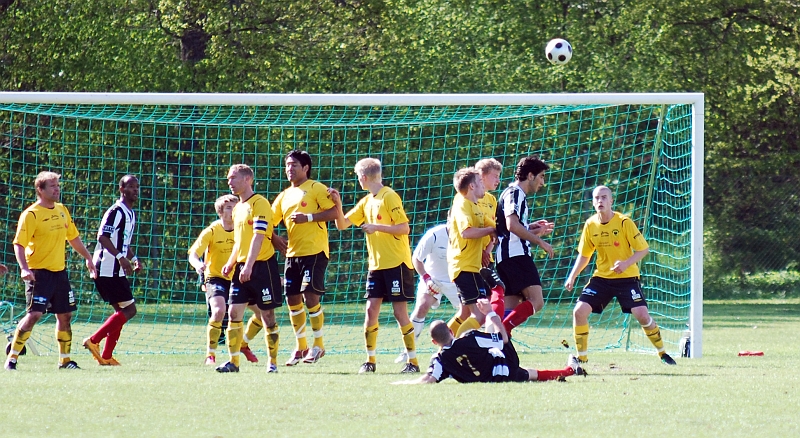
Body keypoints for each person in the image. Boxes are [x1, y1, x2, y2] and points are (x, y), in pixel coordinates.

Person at [565, 185, 677, 365]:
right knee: (579, 312)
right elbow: (585, 255)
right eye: (596, 198)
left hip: (627, 279)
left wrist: (625, 264)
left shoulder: (624, 222)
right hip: (602, 278)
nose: (600, 201)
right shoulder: (590, 224)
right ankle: (582, 358)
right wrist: (572, 276)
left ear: (611, 201)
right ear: (593, 202)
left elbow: (643, 249)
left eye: (604, 197)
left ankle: (662, 353)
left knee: (642, 315)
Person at [329, 157, 419, 374]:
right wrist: (338, 204)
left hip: (396, 264)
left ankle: (413, 362)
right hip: (376, 266)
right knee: (370, 311)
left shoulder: (389, 196)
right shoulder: (366, 201)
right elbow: (342, 224)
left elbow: (404, 228)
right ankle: (370, 361)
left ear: (364, 177)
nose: (358, 180)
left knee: (399, 313)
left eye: (357, 177)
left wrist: (377, 227)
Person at [5, 171, 97, 371]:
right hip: (39, 273)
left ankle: (65, 361)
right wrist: (24, 268)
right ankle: (11, 359)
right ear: (40, 189)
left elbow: (73, 237)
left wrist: (88, 257)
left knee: (65, 315)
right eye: (52, 186)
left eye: (58, 186)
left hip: (59, 273)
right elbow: (18, 244)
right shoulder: (31, 214)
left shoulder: (62, 210)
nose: (57, 190)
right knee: (34, 315)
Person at [393, 298, 585, 384]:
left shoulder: (440, 359)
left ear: (434, 342)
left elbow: (429, 379)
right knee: (501, 330)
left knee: (529, 374)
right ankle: (497, 290)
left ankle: (570, 370)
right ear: (451, 330)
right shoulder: (470, 337)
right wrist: (490, 314)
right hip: (504, 368)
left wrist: (402, 383)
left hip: (496, 377)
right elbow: (503, 340)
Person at [271, 150, 338, 366]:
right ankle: (301, 347)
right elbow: (268, 222)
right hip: (293, 254)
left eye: (294, 165)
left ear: (305, 168)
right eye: (287, 165)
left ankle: (319, 345)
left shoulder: (316, 188)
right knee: (292, 299)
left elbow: (334, 213)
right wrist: (274, 238)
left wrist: (307, 217)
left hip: (315, 252)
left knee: (310, 297)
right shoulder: (283, 196)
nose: (289, 169)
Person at [217, 164, 283, 373]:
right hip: (242, 267)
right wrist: (231, 262)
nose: (229, 182)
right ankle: (233, 362)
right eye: (228, 178)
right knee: (233, 312)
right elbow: (239, 241)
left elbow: (258, 236)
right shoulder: (238, 208)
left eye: (233, 178)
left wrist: (249, 265)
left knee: (268, 316)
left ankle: (272, 363)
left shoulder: (260, 203)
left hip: (262, 267)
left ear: (247, 179)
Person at [188, 194, 257, 366]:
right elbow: (193, 254)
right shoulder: (212, 231)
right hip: (216, 278)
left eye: (235, 207)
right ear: (220, 212)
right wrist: (198, 265)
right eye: (228, 207)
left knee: (263, 313)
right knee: (219, 311)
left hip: (239, 277)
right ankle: (210, 355)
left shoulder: (243, 229)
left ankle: (243, 344)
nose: (233, 210)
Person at [82, 175, 143, 366]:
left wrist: (133, 259)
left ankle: (106, 356)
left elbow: (123, 242)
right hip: (107, 268)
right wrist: (120, 258)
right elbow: (102, 237)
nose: (135, 190)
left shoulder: (130, 213)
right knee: (130, 310)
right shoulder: (116, 211)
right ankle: (94, 340)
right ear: (121, 189)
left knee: (121, 312)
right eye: (131, 186)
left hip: (115, 269)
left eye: (137, 187)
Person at [494, 156, 555, 336]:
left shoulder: (512, 193)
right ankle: (500, 333)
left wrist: (533, 228)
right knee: (537, 301)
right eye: (541, 176)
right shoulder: (515, 193)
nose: (542, 182)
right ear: (530, 176)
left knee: (510, 306)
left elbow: (510, 227)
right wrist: (540, 242)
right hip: (516, 256)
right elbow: (512, 225)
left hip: (505, 257)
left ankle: (499, 342)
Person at [447, 159, 506, 334]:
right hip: (465, 265)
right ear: (473, 185)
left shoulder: (479, 205)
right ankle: (452, 345)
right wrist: (489, 231)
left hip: (476, 266)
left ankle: (444, 341)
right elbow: (466, 232)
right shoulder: (463, 203)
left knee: (470, 312)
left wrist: (530, 229)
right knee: (479, 315)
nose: (498, 180)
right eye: (480, 180)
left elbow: (498, 228)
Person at [395, 223, 461, 363]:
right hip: (433, 279)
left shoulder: (466, 233)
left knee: (469, 312)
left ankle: (465, 348)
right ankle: (408, 350)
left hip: (457, 279)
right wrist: (427, 278)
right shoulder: (434, 234)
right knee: (422, 307)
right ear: (449, 218)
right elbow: (416, 259)